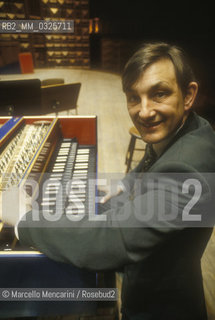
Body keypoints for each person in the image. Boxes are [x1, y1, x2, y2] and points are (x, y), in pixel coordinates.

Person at [1, 42, 215, 320]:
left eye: (159, 94)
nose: (144, 111)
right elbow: (156, 158)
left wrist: (24, 220)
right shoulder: (191, 129)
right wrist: (127, 184)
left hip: (160, 303)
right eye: (134, 98)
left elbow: (115, 239)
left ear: (188, 95)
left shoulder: (187, 166)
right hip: (169, 273)